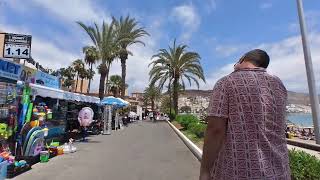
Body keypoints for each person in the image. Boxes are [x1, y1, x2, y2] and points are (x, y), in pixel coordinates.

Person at [200, 49, 290, 180]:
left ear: (242, 59)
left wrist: (205, 171)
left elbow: (215, 130)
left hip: (238, 174)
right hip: (280, 172)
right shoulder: (278, 85)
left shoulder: (226, 82)